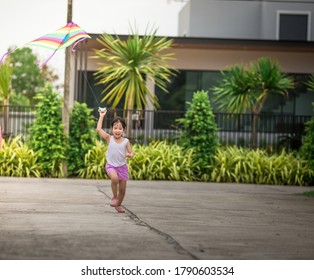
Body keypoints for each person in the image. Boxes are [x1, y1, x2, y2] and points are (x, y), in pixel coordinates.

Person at [96, 109, 134, 213]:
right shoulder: (109, 138)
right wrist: (102, 116)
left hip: (122, 167)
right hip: (111, 166)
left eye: (120, 128)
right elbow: (99, 129)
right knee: (114, 178)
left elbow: (131, 152)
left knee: (122, 191)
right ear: (112, 129)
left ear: (123, 130)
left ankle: (118, 204)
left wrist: (130, 154)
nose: (117, 130)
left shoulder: (126, 141)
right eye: (115, 128)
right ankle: (114, 197)